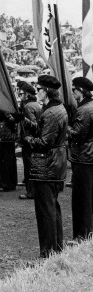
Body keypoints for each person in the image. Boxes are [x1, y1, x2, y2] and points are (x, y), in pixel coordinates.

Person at [24, 75, 68, 258]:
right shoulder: (57, 109)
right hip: (54, 164)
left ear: (47, 91)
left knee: (45, 211)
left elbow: (44, 142)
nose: (37, 92)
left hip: (47, 165)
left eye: (39, 89)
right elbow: (47, 132)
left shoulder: (50, 113)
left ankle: (48, 252)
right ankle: (56, 249)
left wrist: (28, 139)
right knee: (52, 208)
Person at [68, 77, 93, 242]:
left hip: (83, 156)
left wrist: (66, 128)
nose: (73, 93)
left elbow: (78, 134)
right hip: (89, 155)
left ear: (81, 91)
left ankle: (82, 236)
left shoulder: (84, 110)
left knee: (81, 199)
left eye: (74, 90)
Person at [17, 82, 40, 200]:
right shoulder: (37, 104)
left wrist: (23, 118)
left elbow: (34, 125)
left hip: (29, 140)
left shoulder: (28, 107)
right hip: (35, 140)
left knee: (28, 166)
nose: (21, 96)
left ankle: (30, 191)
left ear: (26, 95)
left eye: (22, 94)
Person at [0, 109, 18, 192]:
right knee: (10, 161)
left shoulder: (6, 114)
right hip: (9, 140)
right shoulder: (10, 113)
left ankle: (6, 184)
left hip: (6, 140)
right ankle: (11, 183)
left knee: (6, 162)